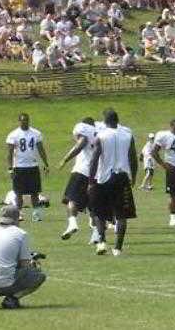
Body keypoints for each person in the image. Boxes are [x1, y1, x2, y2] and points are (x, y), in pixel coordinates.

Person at [0, 205, 46, 309]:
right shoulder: (20, 233)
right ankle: (12, 299)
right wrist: (33, 262)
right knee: (38, 275)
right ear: (16, 219)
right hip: (2, 285)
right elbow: (24, 264)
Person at [88, 109, 137, 256]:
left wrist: (91, 181)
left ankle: (102, 241)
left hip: (104, 178)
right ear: (117, 120)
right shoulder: (128, 135)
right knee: (122, 215)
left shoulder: (100, 136)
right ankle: (118, 248)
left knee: (98, 212)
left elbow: (94, 160)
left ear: (105, 121)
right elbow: (133, 158)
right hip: (122, 176)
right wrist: (133, 176)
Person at [57, 117, 98, 240]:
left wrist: (65, 160)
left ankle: (72, 224)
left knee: (72, 200)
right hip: (97, 174)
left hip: (82, 171)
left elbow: (81, 143)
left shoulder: (84, 131)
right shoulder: (100, 134)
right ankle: (96, 235)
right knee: (94, 206)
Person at [5, 114, 49, 222]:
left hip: (33, 166)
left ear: (29, 121)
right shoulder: (13, 135)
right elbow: (9, 153)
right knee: (18, 193)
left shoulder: (36, 133)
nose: (24, 122)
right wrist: (10, 168)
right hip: (19, 167)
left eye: (26, 120)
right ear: (19, 121)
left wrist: (46, 164)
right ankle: (19, 214)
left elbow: (41, 149)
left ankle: (36, 214)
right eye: (22, 120)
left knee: (35, 193)